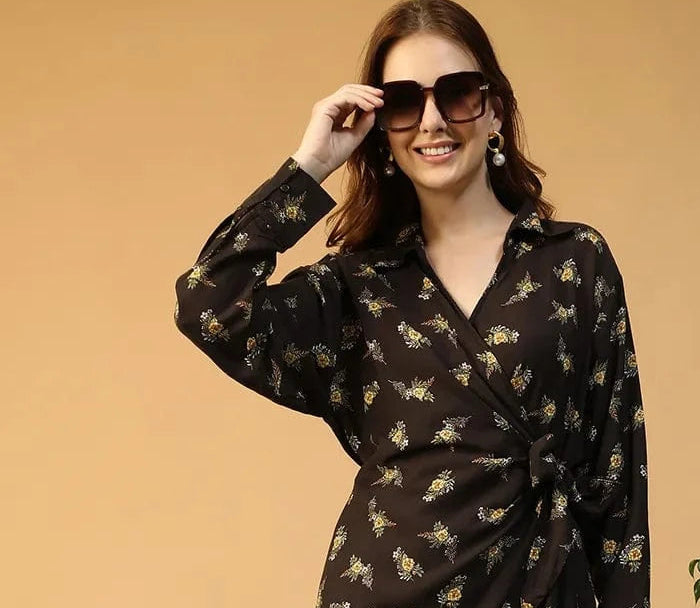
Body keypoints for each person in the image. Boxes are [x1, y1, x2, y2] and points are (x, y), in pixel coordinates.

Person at [172, 1, 650, 606]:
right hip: (387, 587)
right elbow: (208, 305)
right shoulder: (358, 284)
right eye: (402, 102)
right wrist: (311, 164)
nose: (432, 122)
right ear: (380, 126)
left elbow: (617, 477)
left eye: (456, 94)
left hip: (543, 583)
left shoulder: (574, 261)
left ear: (494, 109)